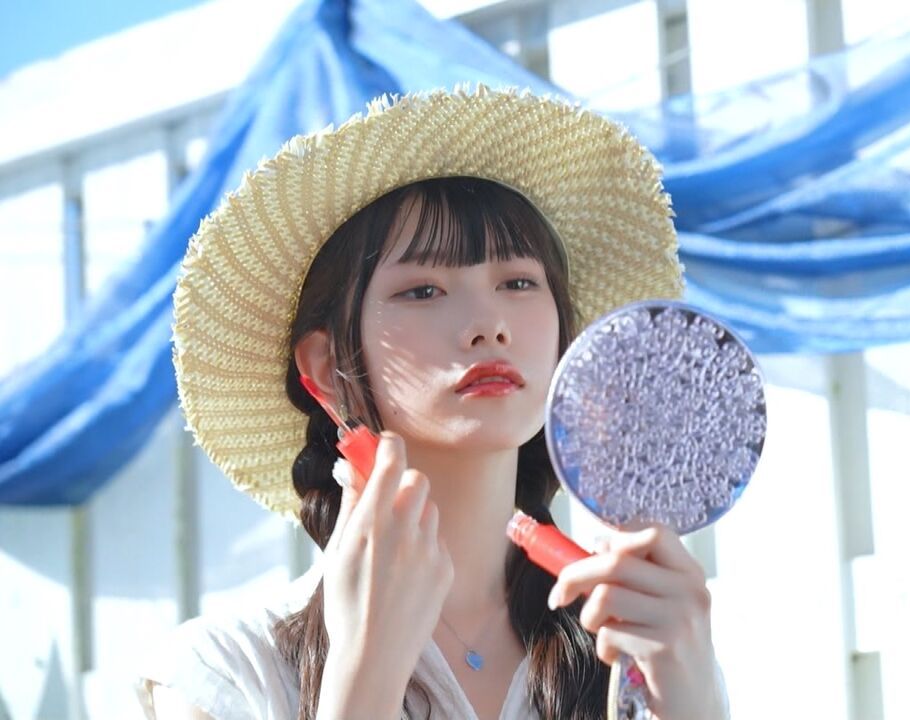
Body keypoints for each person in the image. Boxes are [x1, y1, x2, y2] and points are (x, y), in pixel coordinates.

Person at [136, 88, 730, 720]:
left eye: (518, 282)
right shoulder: (225, 672)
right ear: (324, 369)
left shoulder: (636, 643)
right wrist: (365, 672)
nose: (489, 324)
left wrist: (690, 700)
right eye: (423, 290)